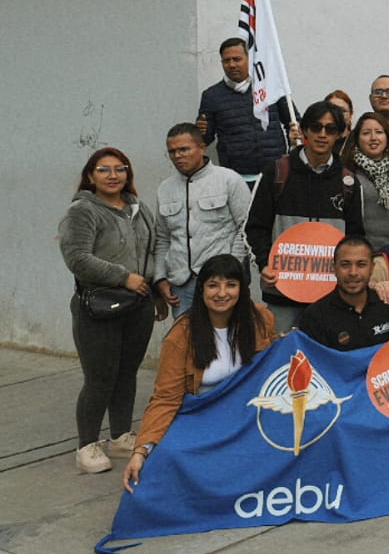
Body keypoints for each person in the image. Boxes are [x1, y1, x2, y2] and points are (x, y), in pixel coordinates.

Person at [120, 254, 275, 492]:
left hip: (248, 415)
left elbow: (275, 366)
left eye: (231, 285)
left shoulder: (260, 318)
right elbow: (165, 398)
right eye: (213, 285)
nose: (222, 293)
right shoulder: (181, 335)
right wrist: (141, 450)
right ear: (201, 290)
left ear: (242, 289)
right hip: (200, 415)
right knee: (170, 455)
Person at [59, 147, 159, 474]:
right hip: (98, 307)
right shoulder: (83, 211)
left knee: (126, 373)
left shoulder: (138, 208)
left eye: (120, 169)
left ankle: (119, 437)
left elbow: (153, 250)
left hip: (138, 304)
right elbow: (77, 258)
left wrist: (154, 290)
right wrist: (123, 277)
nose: (113, 176)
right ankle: (87, 446)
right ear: (91, 176)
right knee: (100, 378)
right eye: (104, 170)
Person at [246, 100, 365, 333]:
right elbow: (254, 228)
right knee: (282, 357)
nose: (322, 135)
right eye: (316, 127)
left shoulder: (348, 181)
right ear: (303, 130)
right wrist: (263, 264)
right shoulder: (277, 172)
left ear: (340, 134)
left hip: (331, 295)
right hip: (282, 292)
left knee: (325, 360)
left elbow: (356, 238)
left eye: (330, 129)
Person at [153, 122, 252, 316]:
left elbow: (245, 229)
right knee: (186, 343)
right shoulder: (165, 188)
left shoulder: (229, 180)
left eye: (184, 149)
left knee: (227, 339)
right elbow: (163, 238)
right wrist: (160, 278)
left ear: (201, 148)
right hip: (181, 284)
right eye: (172, 152)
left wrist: (231, 271)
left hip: (222, 283)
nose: (178, 156)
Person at [197, 37, 289, 180]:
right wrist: (200, 131)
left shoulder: (271, 87)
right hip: (236, 177)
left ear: (250, 58)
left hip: (276, 173)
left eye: (237, 59)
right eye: (226, 60)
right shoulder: (211, 96)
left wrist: (291, 152)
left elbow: (294, 123)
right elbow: (204, 140)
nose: (232, 65)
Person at [297, 236, 389, 351]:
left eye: (361, 264)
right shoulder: (315, 316)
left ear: (372, 268)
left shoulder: (388, 303)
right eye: (345, 264)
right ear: (334, 268)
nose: (353, 272)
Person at [344, 111, 389, 250]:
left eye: (379, 132)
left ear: (387, 136)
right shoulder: (348, 174)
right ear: (357, 138)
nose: (373, 138)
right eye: (366, 133)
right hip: (362, 251)